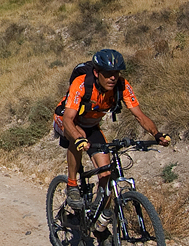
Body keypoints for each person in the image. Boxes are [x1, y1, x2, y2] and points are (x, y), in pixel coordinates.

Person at [53, 48, 170, 233]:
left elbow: (139, 115)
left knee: (106, 175)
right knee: (78, 137)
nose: (113, 78)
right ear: (96, 73)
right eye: (108, 74)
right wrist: (78, 138)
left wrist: (157, 134)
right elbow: (68, 119)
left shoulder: (122, 86)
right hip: (66, 120)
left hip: (91, 126)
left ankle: (98, 223)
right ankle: (72, 184)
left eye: (116, 73)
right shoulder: (82, 84)